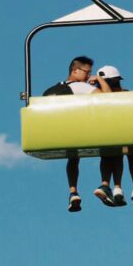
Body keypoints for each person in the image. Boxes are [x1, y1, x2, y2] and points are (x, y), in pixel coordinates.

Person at [43, 56, 108, 212]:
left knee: (73, 156)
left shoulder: (51, 89)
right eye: (87, 72)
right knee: (110, 147)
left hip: (56, 132)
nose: (88, 76)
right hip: (77, 131)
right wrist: (99, 80)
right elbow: (107, 98)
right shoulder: (80, 87)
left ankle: (73, 191)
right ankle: (106, 185)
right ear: (75, 71)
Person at [90, 66, 133, 208]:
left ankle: (117, 187)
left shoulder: (97, 95)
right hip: (130, 130)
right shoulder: (126, 93)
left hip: (108, 132)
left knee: (111, 155)